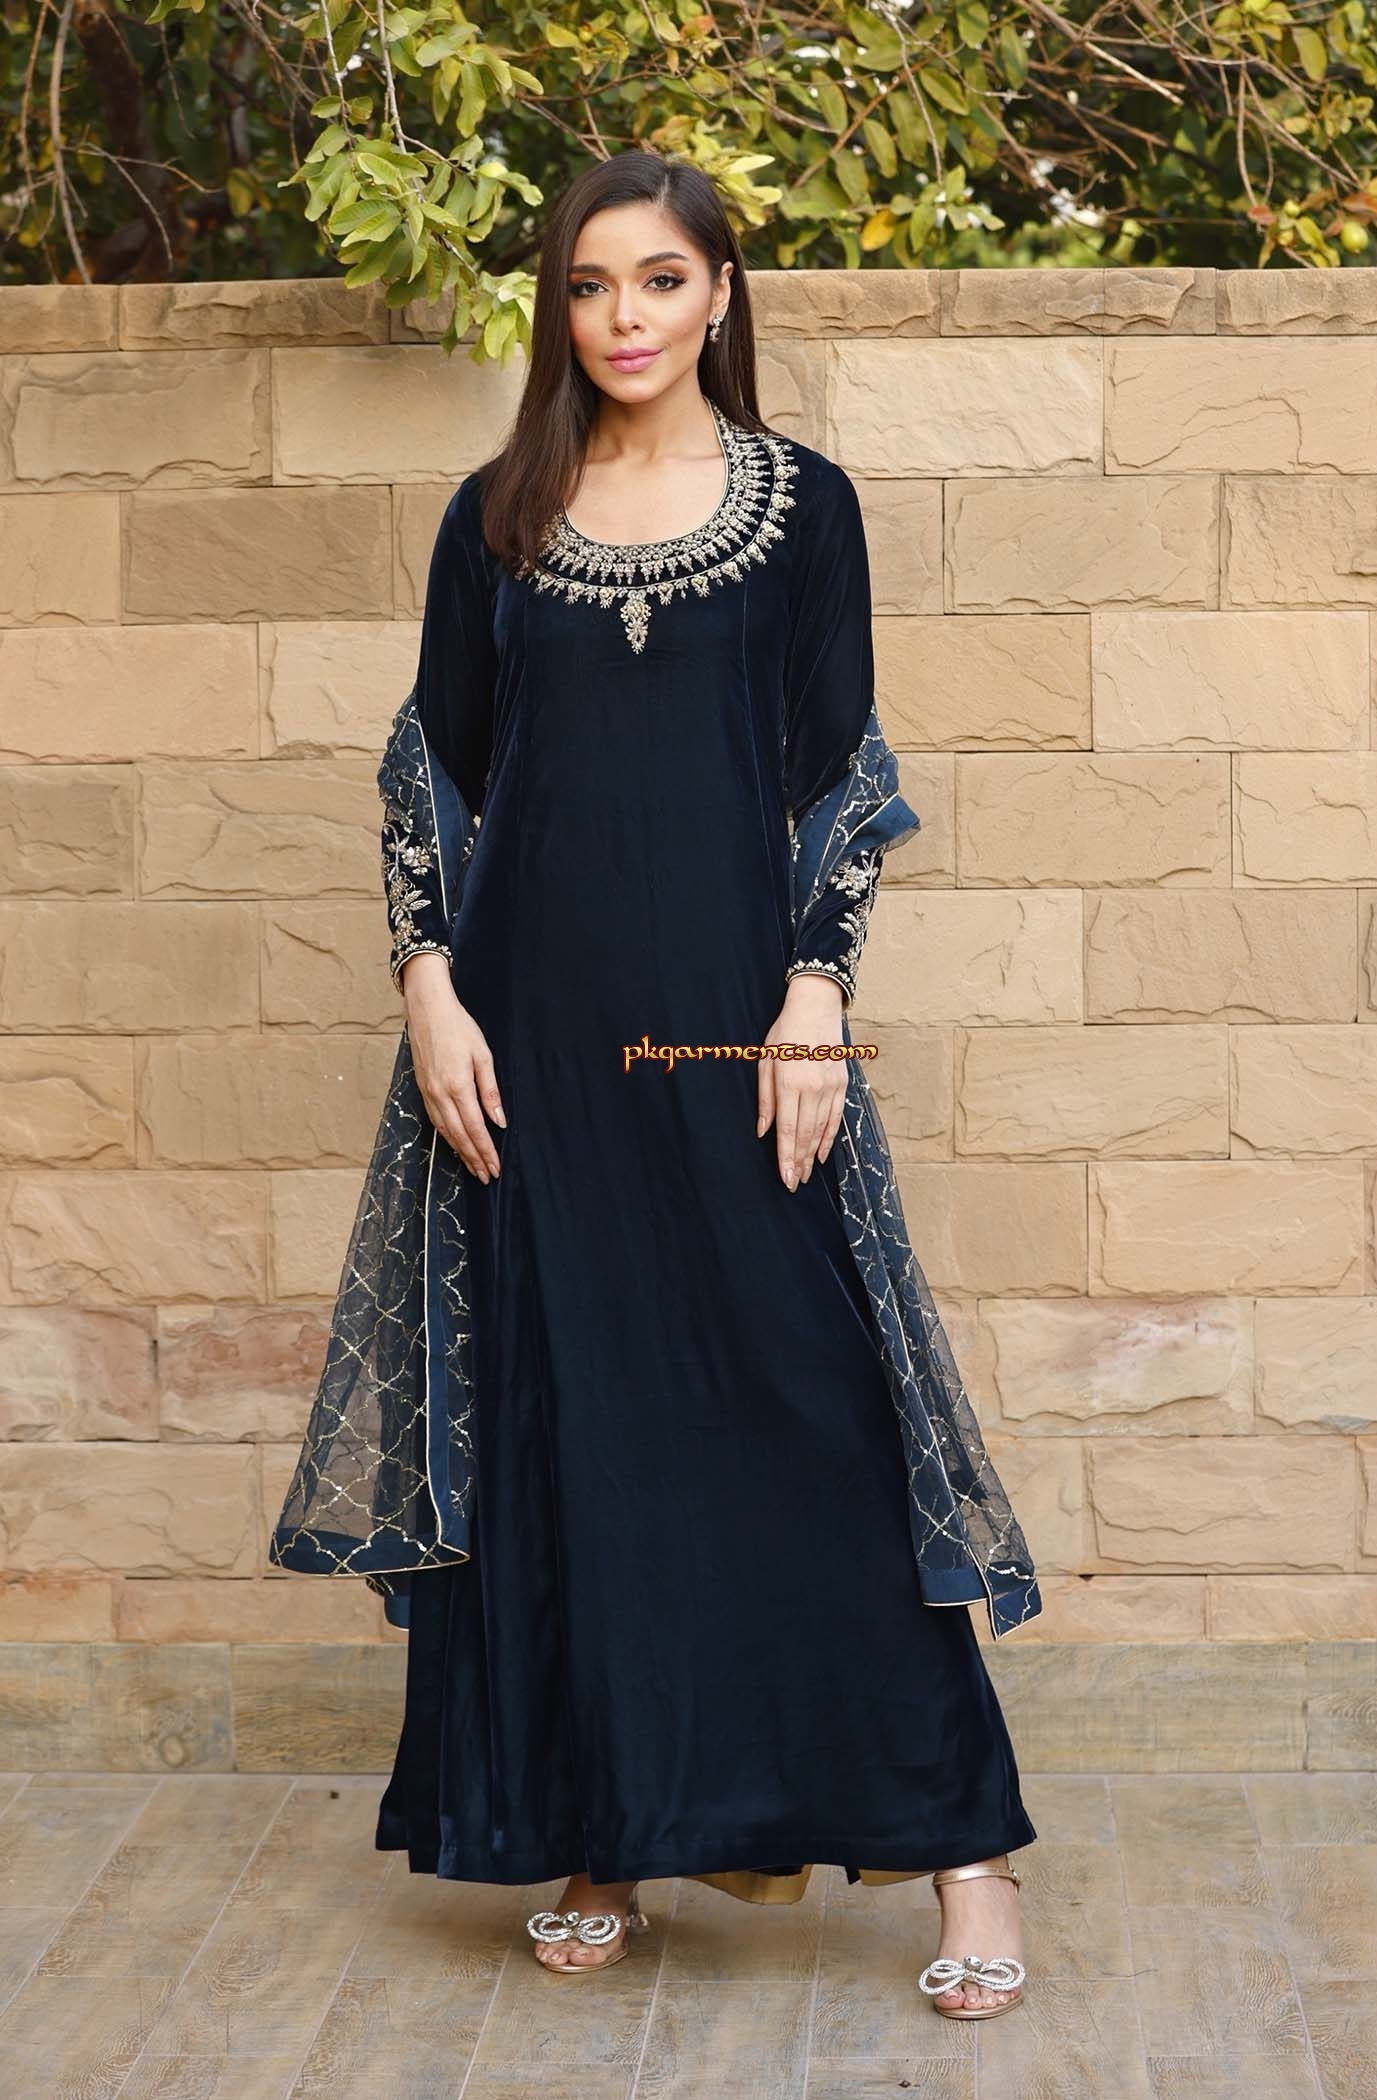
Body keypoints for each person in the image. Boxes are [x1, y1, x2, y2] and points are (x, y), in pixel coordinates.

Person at [270, 146, 1042, 2022]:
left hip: (728, 1035)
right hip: (525, 1051)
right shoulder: (498, 517)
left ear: (720, 294)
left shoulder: (804, 508)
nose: (624, 317)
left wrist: (814, 995)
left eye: (661, 280)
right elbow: (428, 776)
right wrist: (428, 989)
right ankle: (607, 1833)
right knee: (576, 1433)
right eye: (591, 284)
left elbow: (840, 772)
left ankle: (969, 1859)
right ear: (561, 306)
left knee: (816, 1417)